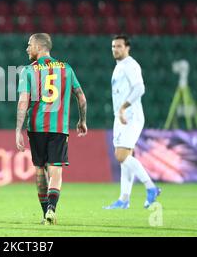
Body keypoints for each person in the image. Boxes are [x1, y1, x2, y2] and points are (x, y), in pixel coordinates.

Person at [15, 33, 87, 225]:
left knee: (40, 170)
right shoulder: (66, 68)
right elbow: (81, 97)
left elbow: (23, 101)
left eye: (29, 45)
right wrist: (82, 120)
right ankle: (51, 209)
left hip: (36, 127)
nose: (27, 48)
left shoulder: (29, 70)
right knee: (55, 170)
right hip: (58, 127)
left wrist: (17, 130)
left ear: (39, 47)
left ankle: (44, 213)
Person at [103, 34, 160, 210]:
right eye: (113, 46)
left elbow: (140, 88)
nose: (115, 49)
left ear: (127, 47)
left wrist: (123, 107)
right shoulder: (119, 66)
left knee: (121, 156)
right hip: (121, 117)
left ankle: (151, 188)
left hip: (130, 116)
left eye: (119, 46)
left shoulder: (130, 65)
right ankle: (124, 199)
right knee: (125, 158)